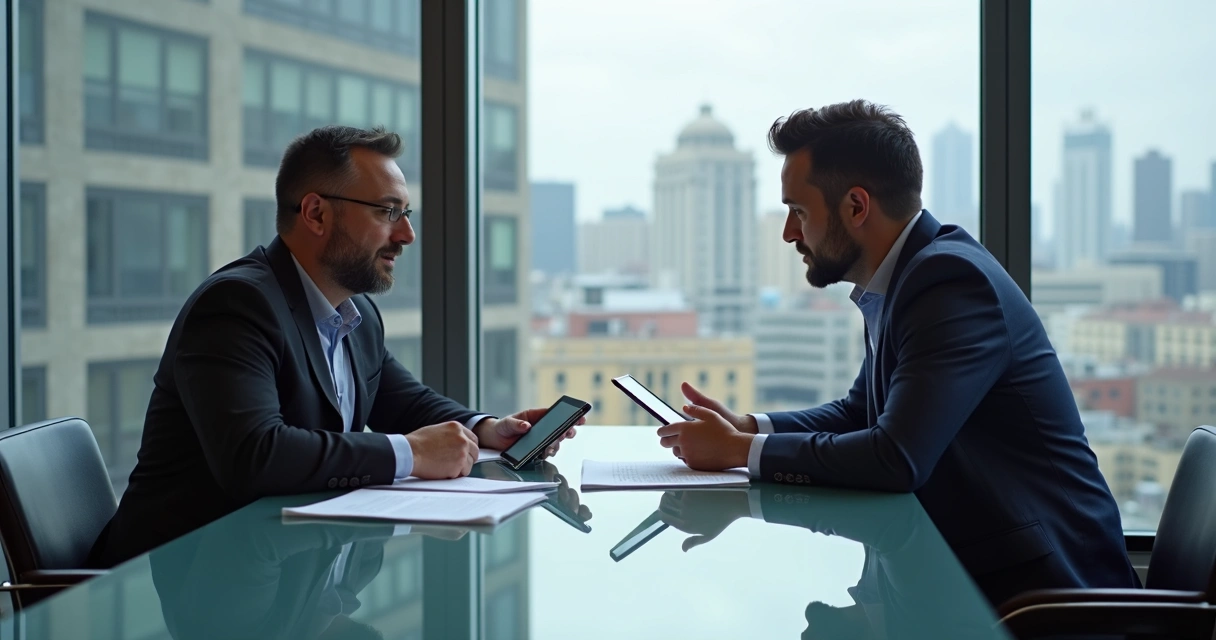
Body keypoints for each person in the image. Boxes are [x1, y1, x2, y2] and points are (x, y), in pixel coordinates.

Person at [655, 100, 1139, 604]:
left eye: (798, 211)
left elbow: (894, 457)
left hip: (1043, 597)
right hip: (969, 578)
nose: (789, 233)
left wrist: (736, 452)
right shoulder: (907, 279)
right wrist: (749, 427)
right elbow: (858, 413)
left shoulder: (950, 283)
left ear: (857, 207)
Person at [88, 125, 576, 568]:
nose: (406, 235)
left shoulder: (353, 314)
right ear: (316, 213)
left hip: (290, 574)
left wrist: (487, 430)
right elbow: (255, 456)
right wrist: (409, 454)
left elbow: (403, 400)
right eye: (388, 212)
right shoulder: (236, 305)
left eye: (405, 214)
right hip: (180, 587)